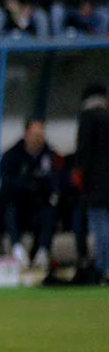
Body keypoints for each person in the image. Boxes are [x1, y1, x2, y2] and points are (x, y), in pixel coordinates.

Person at [0, 119, 59, 269]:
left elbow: (55, 182)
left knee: (50, 210)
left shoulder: (50, 155)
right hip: (18, 208)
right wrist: (28, 184)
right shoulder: (11, 156)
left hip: (39, 208)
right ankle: (17, 250)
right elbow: (7, 184)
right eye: (34, 134)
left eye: (41, 135)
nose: (38, 138)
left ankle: (42, 252)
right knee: (9, 209)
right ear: (26, 135)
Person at [74, 85, 109, 282]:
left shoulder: (88, 117)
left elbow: (84, 151)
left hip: (96, 183)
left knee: (100, 225)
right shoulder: (106, 115)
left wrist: (79, 173)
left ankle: (103, 268)